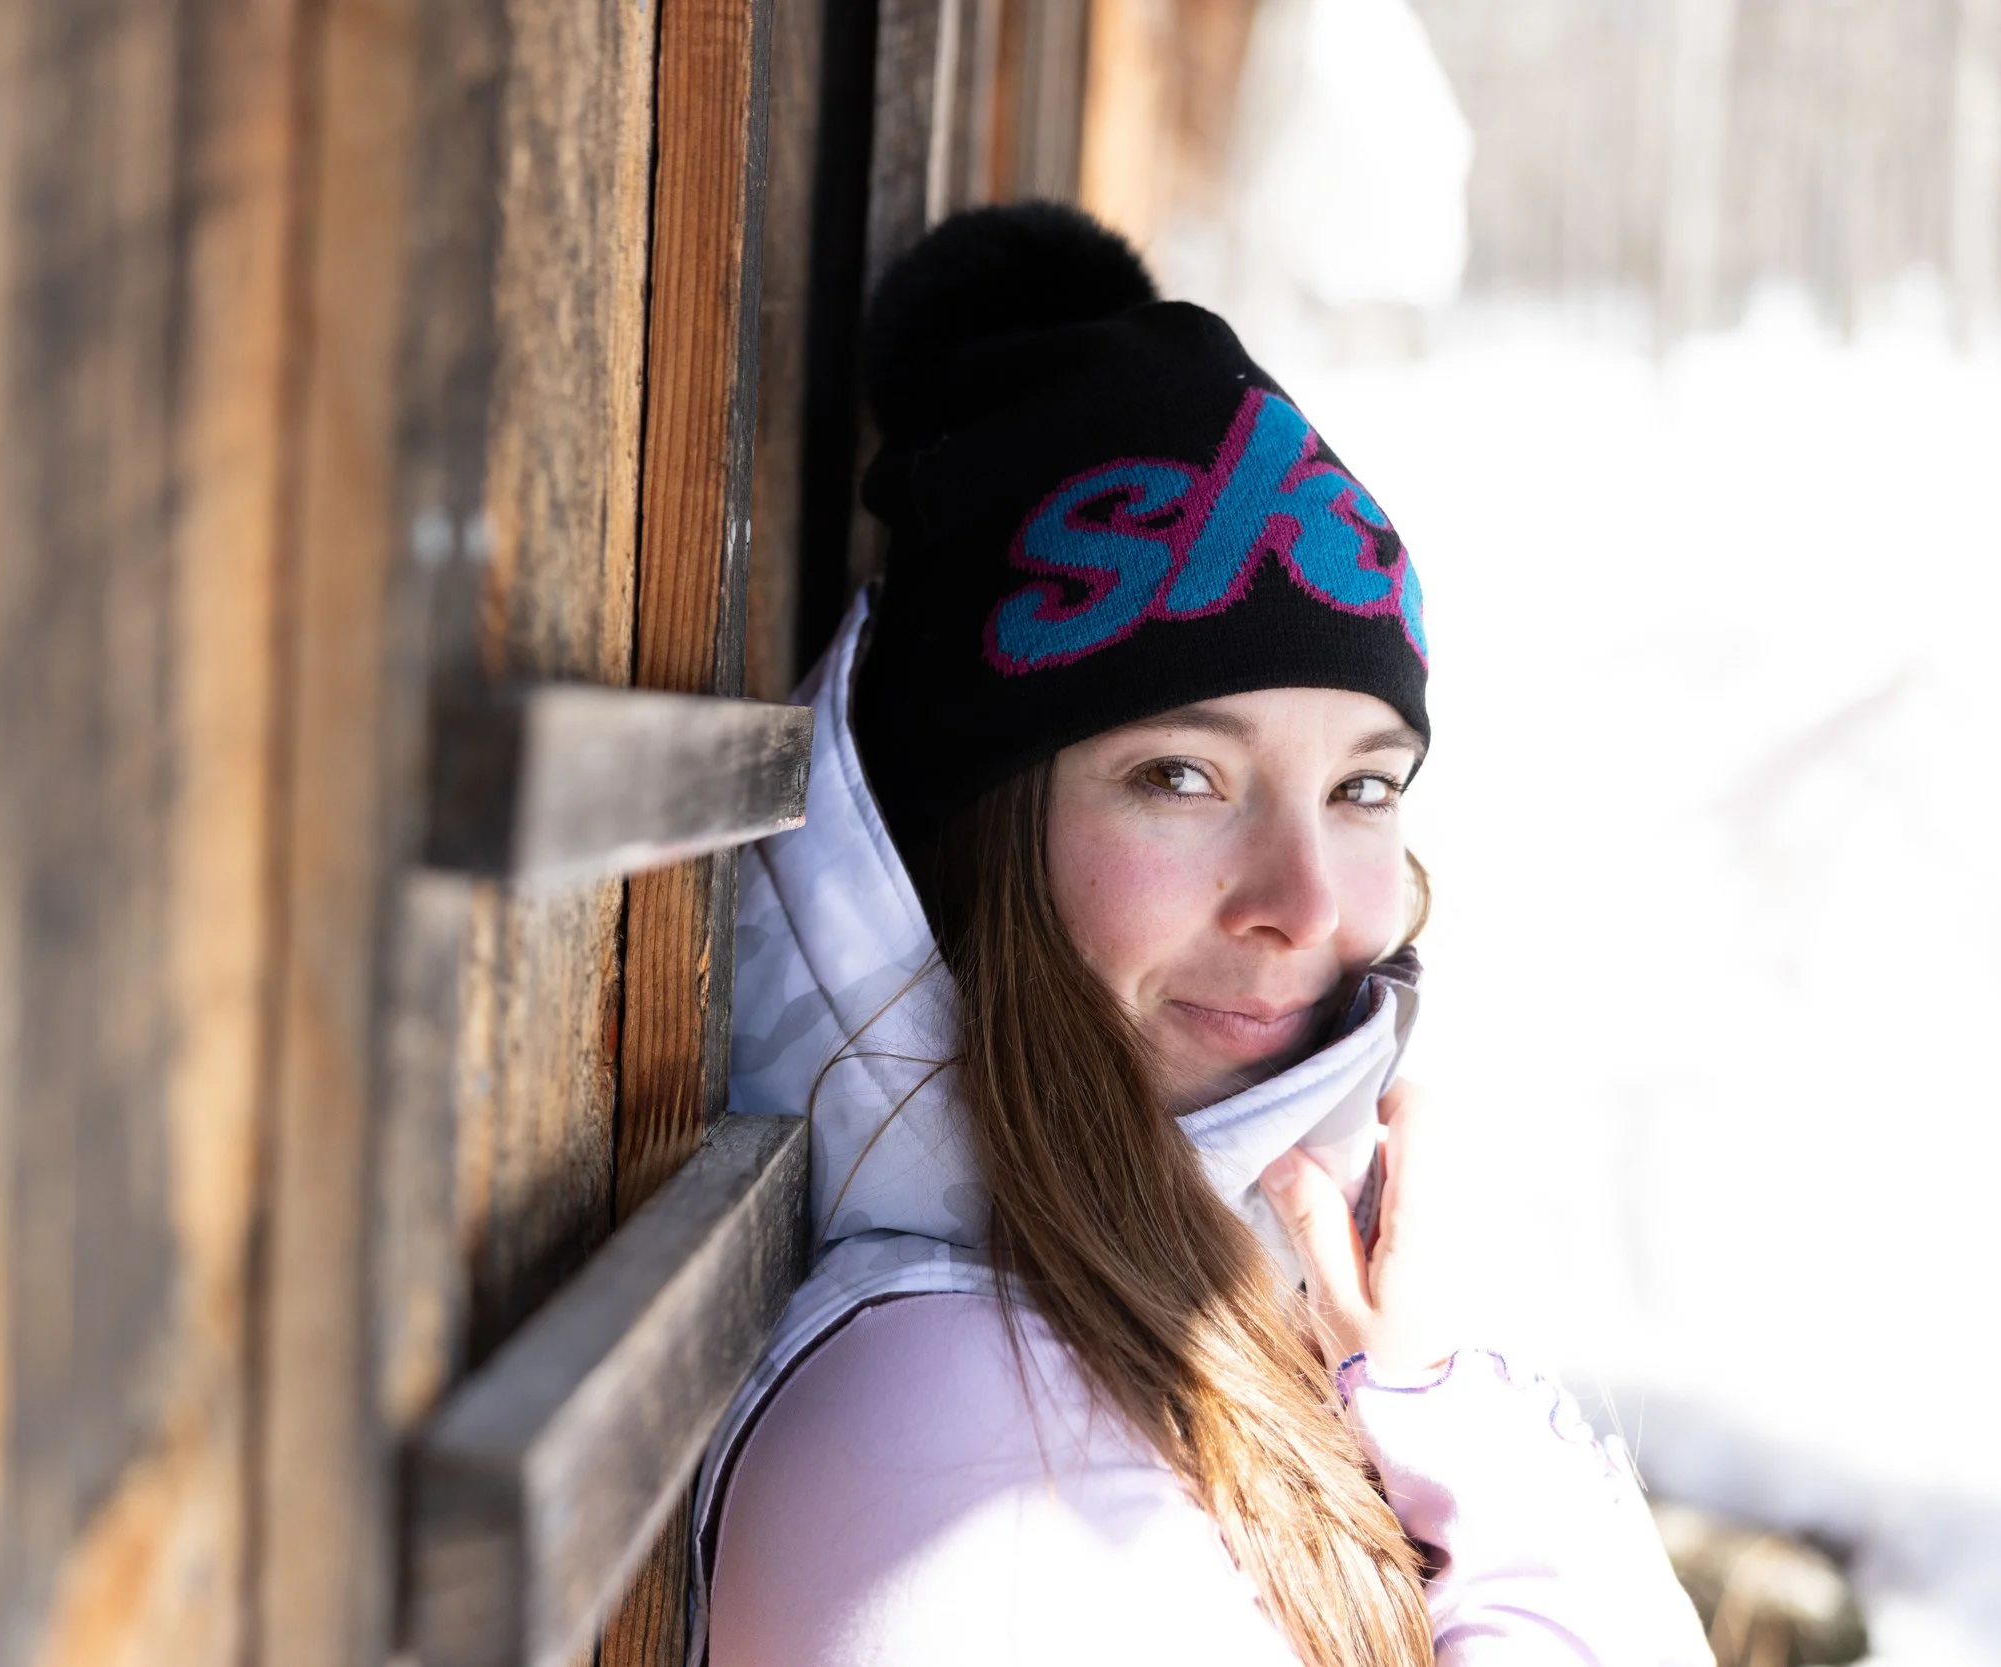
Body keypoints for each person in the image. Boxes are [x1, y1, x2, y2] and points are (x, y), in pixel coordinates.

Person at [689, 203, 1709, 1666]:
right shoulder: (961, 1455)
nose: (1304, 898)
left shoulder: (1212, 1308)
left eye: (1362, 784)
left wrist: (1435, 1404)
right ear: (960, 841)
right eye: (1182, 775)